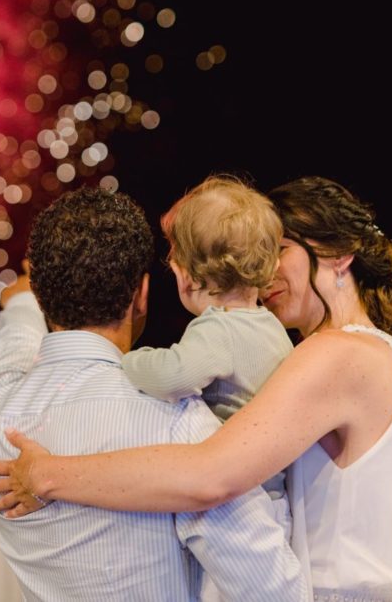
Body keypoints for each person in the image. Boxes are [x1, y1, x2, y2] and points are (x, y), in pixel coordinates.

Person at [0, 177, 392, 602]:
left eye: (280, 249)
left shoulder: (339, 354)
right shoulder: (346, 352)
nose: (266, 269)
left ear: (340, 255)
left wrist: (48, 475)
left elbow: (208, 476)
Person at [0, 187, 307, 601]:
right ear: (142, 293)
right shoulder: (178, 423)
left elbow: (14, 346)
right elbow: (274, 590)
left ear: (40, 297)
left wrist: (20, 300)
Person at [120, 176, 292, 537]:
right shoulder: (270, 326)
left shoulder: (219, 328)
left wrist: (126, 359)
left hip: (239, 505)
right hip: (272, 495)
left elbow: (173, 376)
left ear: (185, 276)